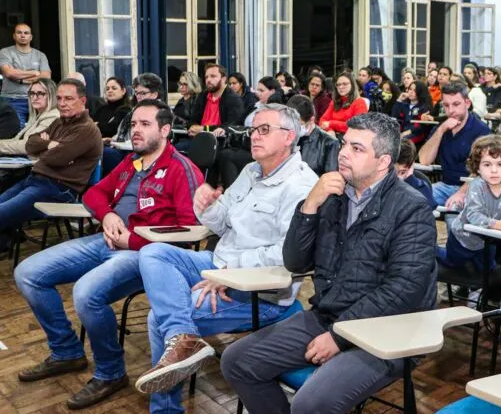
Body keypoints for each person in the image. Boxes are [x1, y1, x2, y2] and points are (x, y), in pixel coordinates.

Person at [220, 113, 437, 414]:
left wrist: (339, 336)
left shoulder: (411, 208)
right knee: (237, 361)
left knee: (311, 403)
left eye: (357, 149)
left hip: (386, 330)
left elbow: (404, 290)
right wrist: (309, 205)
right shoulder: (332, 195)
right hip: (329, 315)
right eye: (344, 144)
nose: (343, 153)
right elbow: (295, 261)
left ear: (383, 161)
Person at [13, 100, 201, 409]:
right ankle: (67, 352)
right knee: (28, 273)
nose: (135, 130)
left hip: (143, 255)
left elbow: (188, 232)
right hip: (106, 239)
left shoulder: (181, 169)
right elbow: (93, 193)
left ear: (165, 130)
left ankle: (110, 372)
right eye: (134, 124)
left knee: (86, 293)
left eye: (144, 124)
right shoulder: (132, 163)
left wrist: (135, 241)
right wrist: (109, 216)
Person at [133, 104, 318, 412]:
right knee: (153, 253)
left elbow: (287, 257)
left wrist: (228, 275)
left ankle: (166, 407)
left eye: (263, 130)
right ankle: (183, 338)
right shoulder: (250, 171)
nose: (253, 137)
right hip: (218, 266)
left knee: (157, 319)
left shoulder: (301, 186)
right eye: (253, 130)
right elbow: (223, 223)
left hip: (260, 291)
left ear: (288, 137)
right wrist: (208, 206)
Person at [0, 78, 102, 252]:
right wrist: (48, 144)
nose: (62, 103)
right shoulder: (59, 122)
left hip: (58, 189)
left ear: (82, 101)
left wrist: (47, 150)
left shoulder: (86, 128)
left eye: (68, 99)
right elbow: (30, 143)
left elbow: (54, 159)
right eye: (60, 98)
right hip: (36, 180)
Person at [438, 135, 501, 277]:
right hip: (463, 238)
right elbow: (474, 215)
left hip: (487, 241)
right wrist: (500, 225)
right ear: (477, 168)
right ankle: (430, 250)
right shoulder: (477, 185)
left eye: (500, 164)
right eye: (487, 164)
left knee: (488, 272)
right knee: (451, 263)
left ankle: (478, 292)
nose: (494, 170)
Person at [418, 82, 491, 206]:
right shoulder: (442, 127)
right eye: (446, 105)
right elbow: (424, 160)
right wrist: (441, 130)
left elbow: (481, 172)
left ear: (467, 103)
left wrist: (461, 193)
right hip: (444, 186)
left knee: (453, 215)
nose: (451, 110)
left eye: (456, 104)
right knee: (413, 199)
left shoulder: (482, 131)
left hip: (472, 188)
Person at [0, 78, 59, 191]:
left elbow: (27, 145)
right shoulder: (37, 117)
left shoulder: (52, 117)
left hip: (37, 176)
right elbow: (16, 141)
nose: (35, 97)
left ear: (51, 95)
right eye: (32, 93)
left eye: (40, 93)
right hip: (23, 170)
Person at [102, 73, 165, 176]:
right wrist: (113, 139)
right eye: (136, 93)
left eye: (143, 93)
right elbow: (123, 131)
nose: (139, 97)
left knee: (108, 154)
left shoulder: (161, 112)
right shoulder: (136, 109)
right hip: (126, 148)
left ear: (154, 94)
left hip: (143, 153)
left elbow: (153, 139)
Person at [0, 23, 51, 128]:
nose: (23, 35)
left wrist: (19, 78)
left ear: (31, 37)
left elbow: (46, 77)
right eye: (19, 32)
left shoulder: (40, 55)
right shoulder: (5, 52)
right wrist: (34, 72)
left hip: (37, 99)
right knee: (17, 131)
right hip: (12, 99)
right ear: (14, 36)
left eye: (26, 33)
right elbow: (9, 73)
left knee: (40, 130)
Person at [286, 94, 340, 176]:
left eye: (298, 124)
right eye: (290, 123)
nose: (293, 128)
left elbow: (330, 179)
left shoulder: (329, 143)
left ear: (311, 120)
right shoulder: (285, 135)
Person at [188, 64, 245, 139]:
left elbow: (232, 125)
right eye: (206, 77)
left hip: (220, 142)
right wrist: (192, 126)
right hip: (198, 139)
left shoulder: (233, 99)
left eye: (213, 76)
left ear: (224, 79)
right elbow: (193, 119)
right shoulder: (202, 96)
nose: (208, 80)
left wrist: (204, 129)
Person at [391, 80, 433, 146]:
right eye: (410, 89)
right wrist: (399, 100)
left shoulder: (424, 107)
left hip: (416, 135)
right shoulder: (404, 105)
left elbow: (421, 126)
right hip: (403, 133)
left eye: (415, 90)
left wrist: (408, 132)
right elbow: (395, 116)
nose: (411, 92)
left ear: (420, 92)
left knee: (403, 142)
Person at [395, 139, 433, 206]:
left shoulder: (420, 182)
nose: (398, 177)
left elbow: (430, 206)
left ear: (411, 167)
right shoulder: (381, 178)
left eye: (402, 172)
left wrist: (410, 179)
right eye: (393, 172)